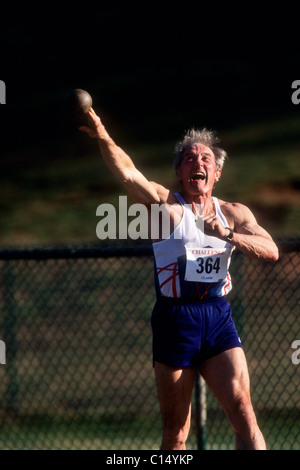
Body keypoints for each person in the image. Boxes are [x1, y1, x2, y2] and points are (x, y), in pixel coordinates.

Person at [80, 108, 279, 450]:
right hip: (175, 320)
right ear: (179, 171)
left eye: (204, 158)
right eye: (188, 159)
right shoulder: (166, 207)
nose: (196, 163)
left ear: (215, 171)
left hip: (217, 318)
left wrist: (229, 234)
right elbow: (128, 174)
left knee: (244, 414)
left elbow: (271, 250)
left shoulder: (234, 213)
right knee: (176, 433)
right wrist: (101, 132)